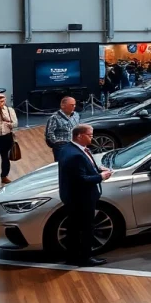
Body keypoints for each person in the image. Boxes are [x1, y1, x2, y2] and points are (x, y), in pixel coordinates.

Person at [58, 124, 112, 266]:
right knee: (86, 229)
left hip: (72, 197)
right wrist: (102, 176)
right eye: (90, 135)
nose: (92, 138)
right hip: (81, 199)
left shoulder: (68, 149)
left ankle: (72, 257)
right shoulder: (76, 155)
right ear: (79, 136)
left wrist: (97, 168)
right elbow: (81, 179)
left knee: (73, 229)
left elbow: (79, 170)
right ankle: (85, 258)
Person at [45, 96, 80, 162]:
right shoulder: (54, 118)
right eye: (71, 105)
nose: (74, 106)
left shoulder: (76, 115)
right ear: (63, 105)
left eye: (74, 104)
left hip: (75, 145)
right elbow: (49, 133)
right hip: (62, 147)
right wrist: (57, 143)